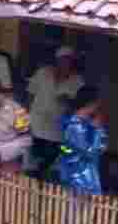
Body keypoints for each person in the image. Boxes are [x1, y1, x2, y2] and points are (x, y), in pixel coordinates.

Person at [57, 86, 108, 224]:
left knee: (83, 223)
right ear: (92, 104)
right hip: (78, 178)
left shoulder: (81, 124)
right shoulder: (75, 125)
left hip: (84, 176)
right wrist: (99, 131)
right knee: (74, 222)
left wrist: (98, 132)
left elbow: (99, 149)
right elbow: (90, 152)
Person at [27, 46, 85, 179]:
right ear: (57, 60)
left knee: (49, 164)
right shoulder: (43, 73)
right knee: (32, 163)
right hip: (36, 125)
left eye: (69, 61)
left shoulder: (78, 81)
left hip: (57, 131)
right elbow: (30, 94)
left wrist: (69, 101)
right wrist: (25, 118)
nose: (66, 64)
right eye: (63, 60)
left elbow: (80, 106)